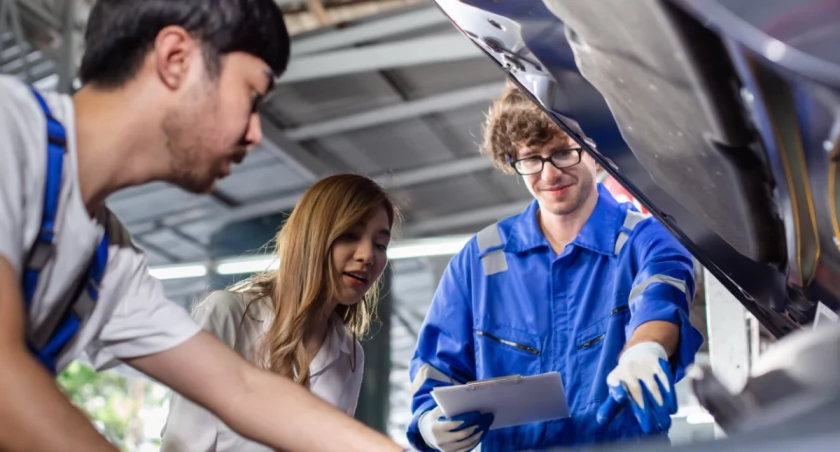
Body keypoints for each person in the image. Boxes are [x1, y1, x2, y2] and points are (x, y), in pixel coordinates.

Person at [0, 1, 406, 451]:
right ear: (176, 58)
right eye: (252, 97)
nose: (255, 133)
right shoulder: (10, 130)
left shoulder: (107, 260)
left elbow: (240, 388)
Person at [406, 81, 705, 452]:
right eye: (531, 158)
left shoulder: (646, 240)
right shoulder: (479, 261)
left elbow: (661, 295)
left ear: (595, 150)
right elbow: (436, 366)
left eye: (564, 153)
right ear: (511, 158)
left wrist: (644, 350)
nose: (549, 175)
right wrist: (427, 420)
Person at [160, 174, 398, 451]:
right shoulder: (227, 316)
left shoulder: (350, 356)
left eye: (380, 245)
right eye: (350, 235)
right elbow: (182, 445)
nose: (368, 255)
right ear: (313, 238)